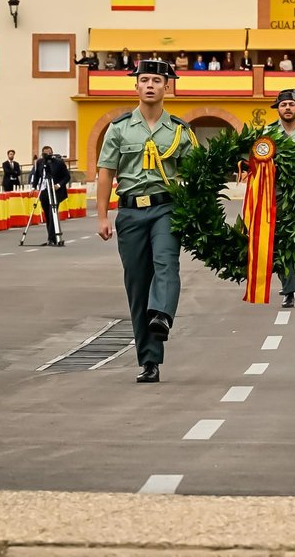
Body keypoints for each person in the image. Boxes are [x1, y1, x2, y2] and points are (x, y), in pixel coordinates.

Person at [96, 59, 197, 384]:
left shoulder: (181, 131)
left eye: (157, 79)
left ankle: (163, 315)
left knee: (166, 264)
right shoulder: (119, 128)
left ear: (167, 87)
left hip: (166, 208)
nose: (150, 84)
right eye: (145, 79)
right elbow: (106, 172)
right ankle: (149, 360)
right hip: (130, 213)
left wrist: (198, 212)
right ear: (136, 86)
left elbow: (195, 175)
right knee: (138, 284)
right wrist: (102, 215)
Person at [268, 88, 295, 308]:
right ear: (278, 109)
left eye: (291, 104)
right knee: (281, 243)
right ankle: (288, 288)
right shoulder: (268, 132)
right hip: (277, 195)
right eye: (283, 105)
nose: (288, 108)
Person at [31, 145, 71, 246]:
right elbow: (36, 175)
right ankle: (51, 237)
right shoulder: (40, 162)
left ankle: (52, 238)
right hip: (44, 191)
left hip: (55, 191)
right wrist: (33, 187)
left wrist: (59, 185)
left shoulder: (59, 163)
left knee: (52, 213)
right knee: (47, 216)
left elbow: (67, 176)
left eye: (49, 153)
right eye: (45, 154)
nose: (48, 155)